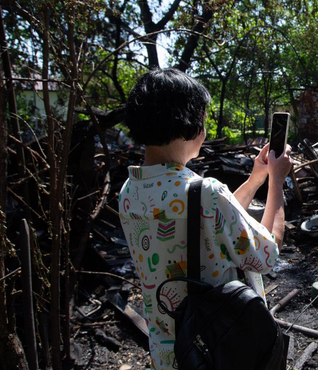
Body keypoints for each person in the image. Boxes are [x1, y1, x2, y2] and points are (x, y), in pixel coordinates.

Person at [117, 68, 292, 370]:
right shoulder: (205, 191)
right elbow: (268, 254)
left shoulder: (130, 191)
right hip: (220, 346)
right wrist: (276, 181)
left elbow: (205, 225)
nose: (205, 130)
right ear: (186, 122)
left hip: (172, 351)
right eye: (203, 119)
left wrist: (255, 178)